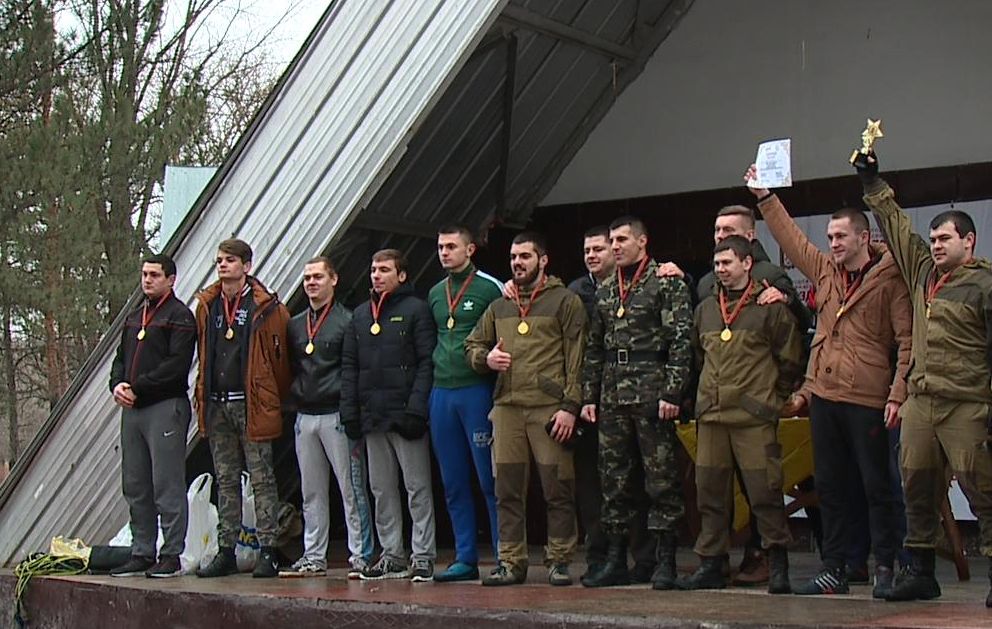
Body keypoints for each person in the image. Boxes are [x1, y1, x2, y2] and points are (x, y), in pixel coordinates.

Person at [745, 164, 912, 598]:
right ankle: (836, 567)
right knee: (832, 487)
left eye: (841, 237)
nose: (833, 243)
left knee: (877, 487)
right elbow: (791, 239)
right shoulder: (823, 270)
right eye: (830, 237)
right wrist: (765, 197)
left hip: (868, 397)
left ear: (864, 238)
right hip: (823, 394)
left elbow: (908, 342)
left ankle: (886, 565)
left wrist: (898, 394)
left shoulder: (890, 278)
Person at [857, 151, 992, 606]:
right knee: (915, 484)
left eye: (945, 238)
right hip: (921, 401)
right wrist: (872, 183)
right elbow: (896, 226)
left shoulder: (985, 284)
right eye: (932, 238)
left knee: (982, 486)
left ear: (968, 241)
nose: (935, 245)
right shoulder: (921, 272)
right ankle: (920, 572)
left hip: (967, 402)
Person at [658, 205, 811, 585]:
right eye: (717, 264)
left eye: (727, 263)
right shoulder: (706, 309)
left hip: (753, 417)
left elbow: (791, 358)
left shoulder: (769, 307)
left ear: (747, 263)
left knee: (765, 492)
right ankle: (712, 562)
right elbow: (698, 356)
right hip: (713, 416)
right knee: (710, 493)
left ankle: (776, 562)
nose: (721, 270)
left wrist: (772, 398)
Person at [465, 231, 586, 587]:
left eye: (525, 256)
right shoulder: (500, 305)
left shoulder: (565, 301)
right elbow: (472, 345)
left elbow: (578, 359)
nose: (517, 263)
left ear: (543, 260)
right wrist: (486, 358)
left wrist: (570, 406)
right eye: (514, 257)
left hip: (549, 409)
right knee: (506, 490)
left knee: (558, 488)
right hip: (507, 409)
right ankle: (510, 561)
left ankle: (559, 560)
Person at [580, 216, 693, 590]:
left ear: (642, 241)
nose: (615, 246)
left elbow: (681, 342)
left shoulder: (666, 281)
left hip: (652, 392)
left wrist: (672, 393)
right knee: (613, 479)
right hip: (613, 394)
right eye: (612, 240)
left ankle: (665, 559)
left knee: (661, 480)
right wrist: (589, 396)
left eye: (622, 240)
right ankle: (616, 558)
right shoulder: (606, 289)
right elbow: (595, 346)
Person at [194, 238, 292, 579]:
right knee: (225, 479)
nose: (223, 265)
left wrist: (269, 396)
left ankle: (268, 549)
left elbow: (281, 361)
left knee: (262, 478)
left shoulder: (266, 307)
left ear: (246, 266)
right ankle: (226, 549)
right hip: (217, 404)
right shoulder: (208, 305)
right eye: (219, 260)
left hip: (251, 403)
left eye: (230, 260)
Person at [341, 249, 437, 581]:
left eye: (384, 270)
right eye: (373, 270)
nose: (376, 276)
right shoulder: (360, 315)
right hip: (372, 416)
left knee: (417, 487)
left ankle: (422, 555)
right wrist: (350, 412)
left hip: (406, 415)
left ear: (402, 275)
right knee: (381, 489)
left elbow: (426, 362)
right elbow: (350, 366)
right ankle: (392, 553)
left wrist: (417, 409)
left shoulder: (416, 310)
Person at [567, 226, 657, 582]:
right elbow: (589, 349)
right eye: (587, 250)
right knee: (600, 486)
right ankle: (602, 557)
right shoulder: (576, 292)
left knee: (644, 480)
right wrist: (585, 397)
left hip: (642, 395)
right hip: (599, 399)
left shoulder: (651, 282)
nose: (593, 255)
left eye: (600, 248)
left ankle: (646, 558)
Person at [280, 257, 374, 578]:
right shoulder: (295, 325)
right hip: (305, 415)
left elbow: (354, 370)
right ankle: (313, 555)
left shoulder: (347, 321)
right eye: (307, 277)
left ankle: (360, 555)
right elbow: (291, 367)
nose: (311, 283)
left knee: (351, 488)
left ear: (333, 280)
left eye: (318, 277)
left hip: (336, 414)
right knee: (312, 491)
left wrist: (351, 412)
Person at [109, 253, 197, 578]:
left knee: (166, 482)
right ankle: (142, 550)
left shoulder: (180, 317)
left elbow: (176, 366)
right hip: (133, 411)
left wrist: (139, 387)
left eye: (155, 275)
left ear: (170, 279)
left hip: (165, 406)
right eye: (145, 274)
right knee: (135, 483)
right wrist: (117, 384)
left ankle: (172, 553)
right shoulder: (135, 317)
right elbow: (120, 358)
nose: (147, 280)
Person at [427, 226, 504, 582]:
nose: (444, 252)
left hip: (477, 391)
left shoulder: (490, 287)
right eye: (440, 247)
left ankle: (505, 554)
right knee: (453, 480)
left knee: (489, 479)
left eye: (451, 246)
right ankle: (465, 556)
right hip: (442, 392)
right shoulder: (435, 293)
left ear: (470, 249)